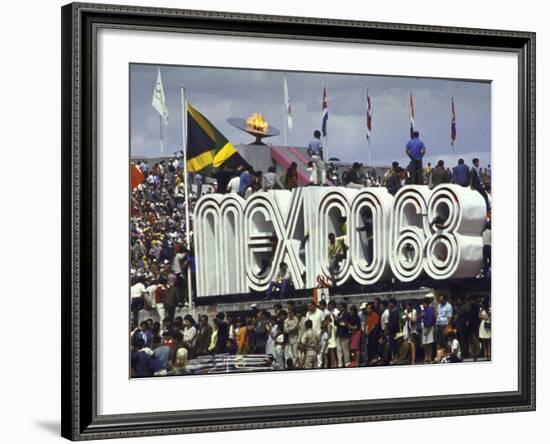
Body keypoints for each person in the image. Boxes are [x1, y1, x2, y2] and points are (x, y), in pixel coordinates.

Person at [335, 302, 352, 367]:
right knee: (339, 349)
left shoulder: (347, 314)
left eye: (340, 307)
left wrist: (338, 319)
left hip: (344, 334)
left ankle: (347, 362)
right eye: (339, 307)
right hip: (338, 333)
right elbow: (336, 323)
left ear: (344, 307)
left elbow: (344, 323)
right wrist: (336, 319)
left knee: (345, 349)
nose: (339, 308)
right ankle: (340, 362)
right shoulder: (338, 314)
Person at [420, 297, 435, 363]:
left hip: (429, 328)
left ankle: (429, 356)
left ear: (426, 304)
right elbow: (421, 317)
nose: (423, 305)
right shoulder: (424, 310)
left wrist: (427, 329)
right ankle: (426, 356)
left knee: (429, 343)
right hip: (424, 327)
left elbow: (430, 320)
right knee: (425, 343)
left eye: (424, 304)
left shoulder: (430, 310)